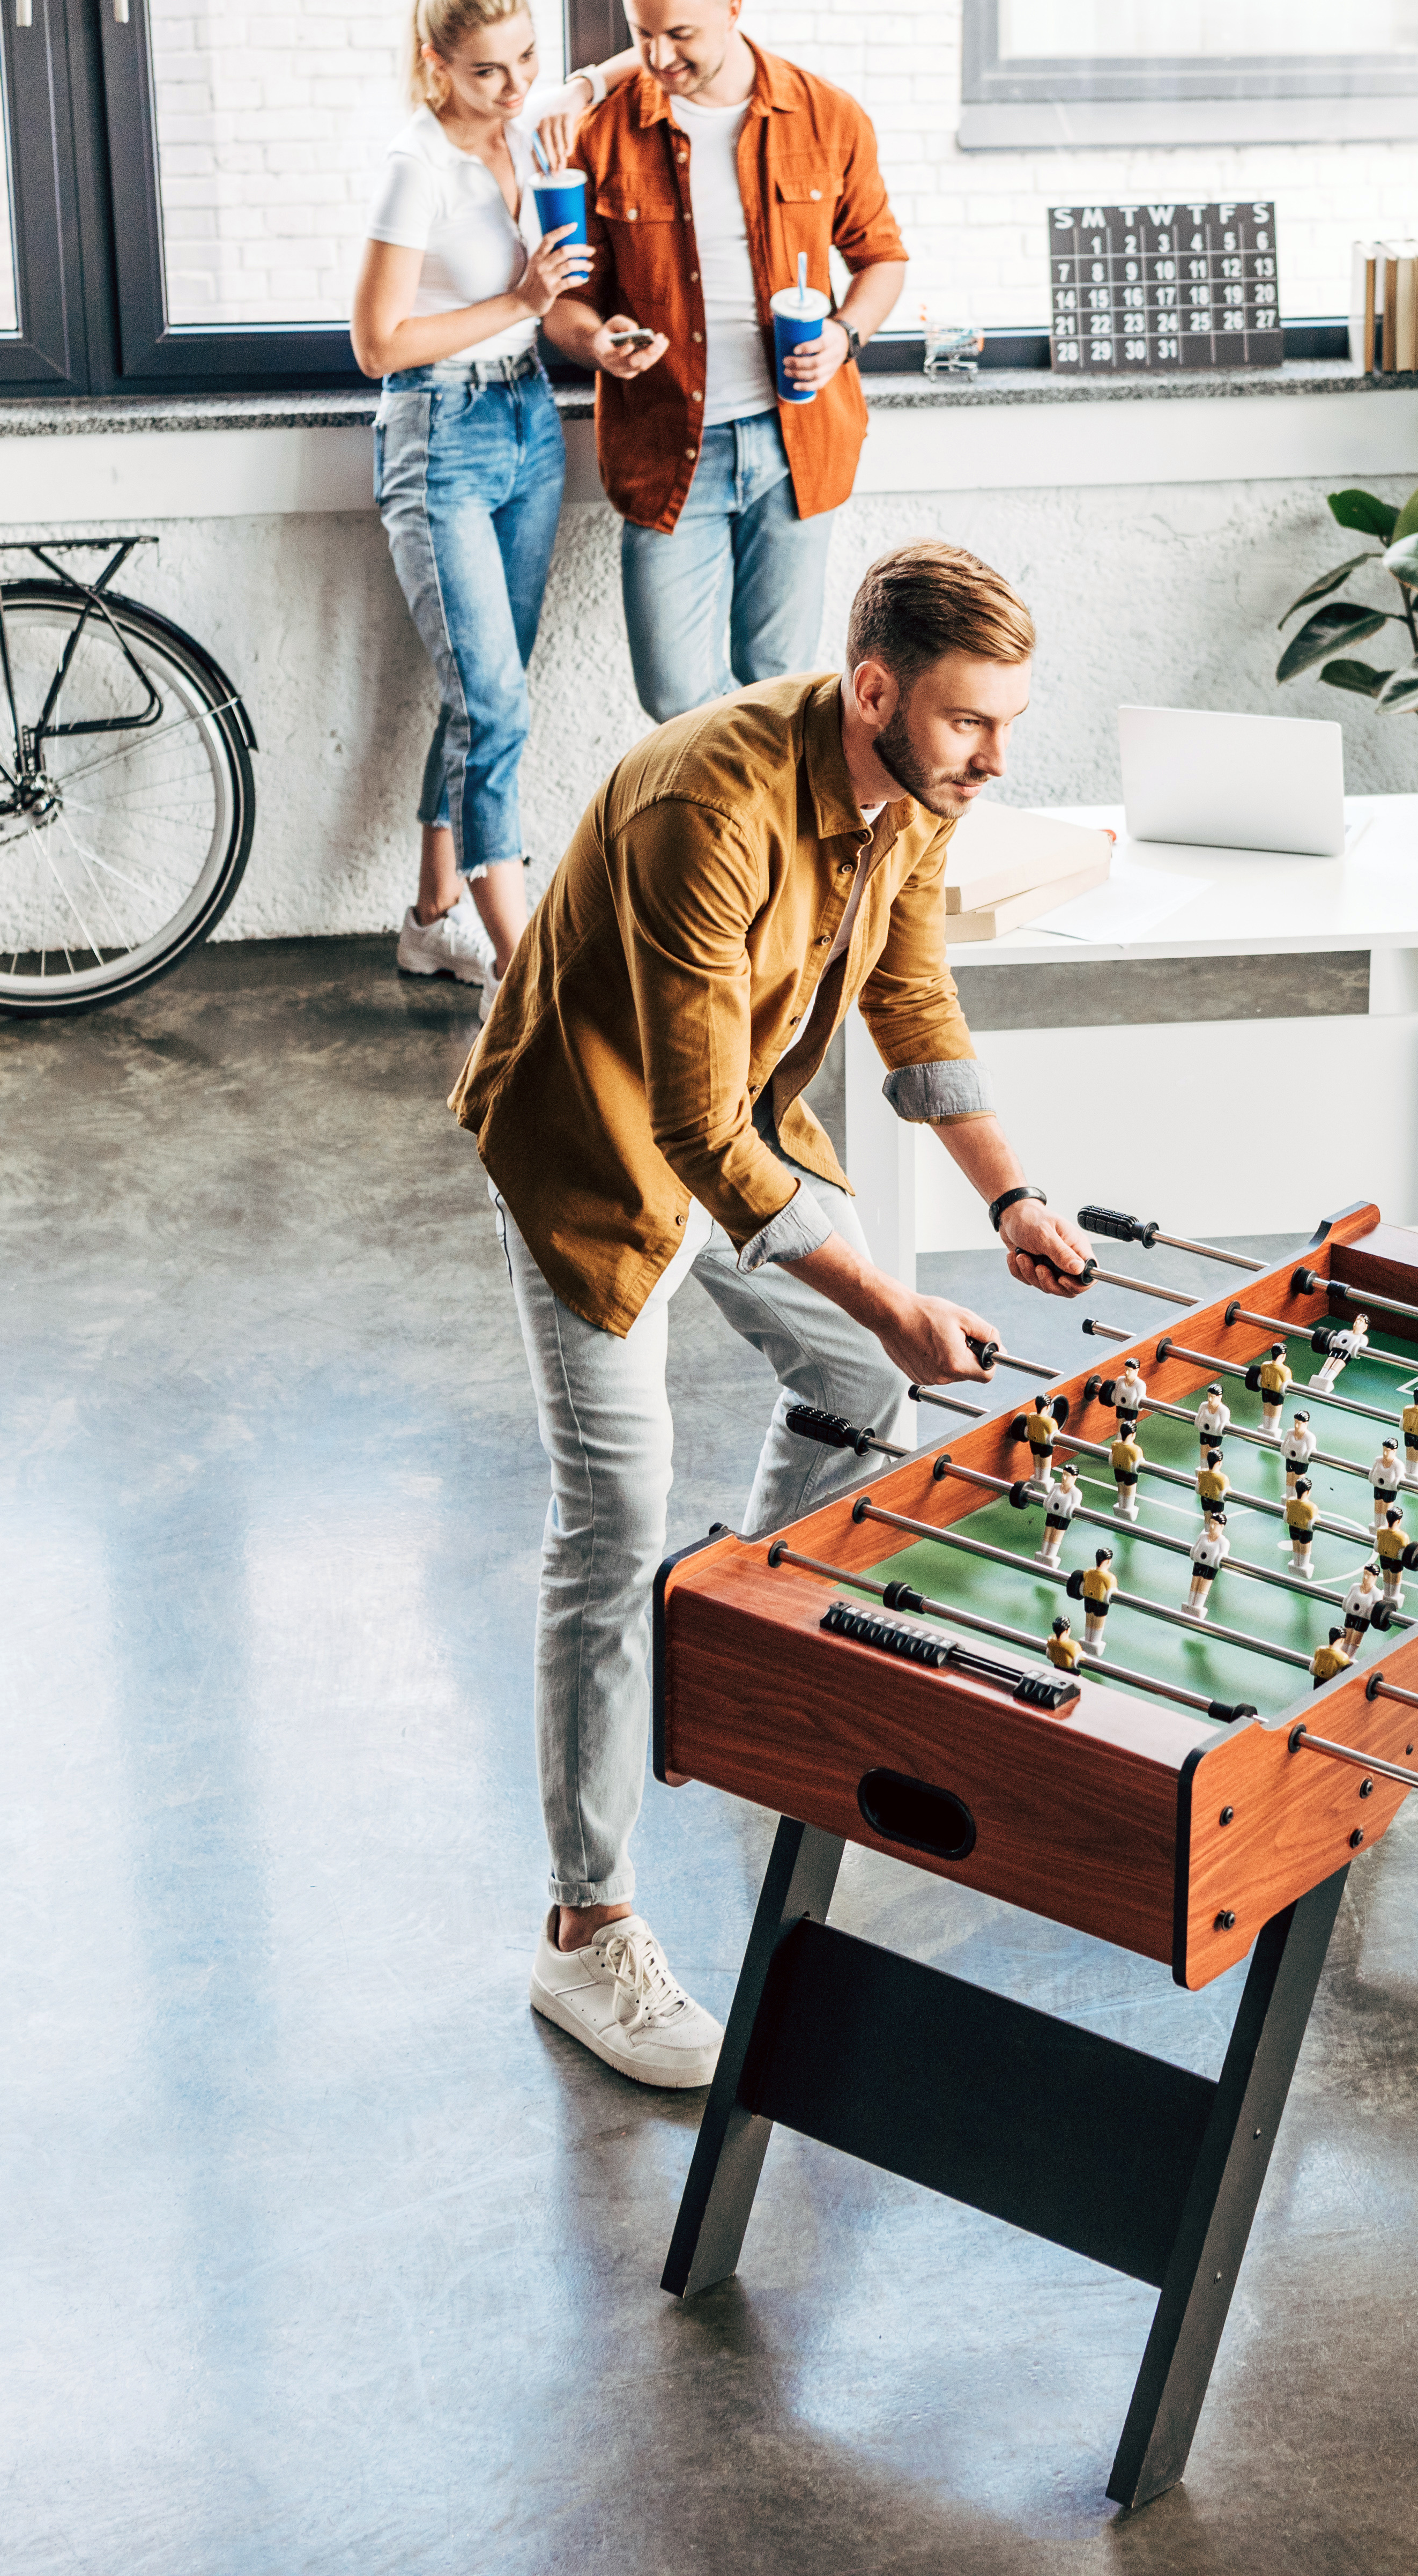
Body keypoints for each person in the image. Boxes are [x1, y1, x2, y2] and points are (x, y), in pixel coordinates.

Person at [455, 541, 1094, 2088]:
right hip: (601, 1163)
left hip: (743, 1138)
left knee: (860, 1398)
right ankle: (580, 1933)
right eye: (968, 725)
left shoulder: (913, 797)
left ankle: (735, 1663)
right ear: (875, 690)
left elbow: (911, 1002)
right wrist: (890, 1298)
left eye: (1010, 722)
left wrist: (1011, 1199)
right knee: (616, 1522)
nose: (997, 760)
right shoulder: (707, 803)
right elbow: (689, 1134)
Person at [542, 0, 910, 722]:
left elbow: (882, 261)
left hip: (798, 443)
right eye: (642, 35)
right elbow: (564, 303)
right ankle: (728, 800)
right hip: (668, 441)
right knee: (676, 697)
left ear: (733, 11)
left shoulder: (826, 116)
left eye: (680, 35)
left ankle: (756, 840)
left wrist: (844, 334)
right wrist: (597, 343)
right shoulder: (604, 134)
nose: (657, 56)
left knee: (778, 681)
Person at [356, 0, 593, 993]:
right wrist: (526, 297)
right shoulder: (416, 165)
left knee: (483, 699)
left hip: (529, 421)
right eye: (487, 71)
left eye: (527, 60)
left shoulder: (525, 119)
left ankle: (431, 919)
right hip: (437, 435)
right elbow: (377, 343)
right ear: (434, 66)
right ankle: (523, 964)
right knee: (495, 707)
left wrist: (608, 72)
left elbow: (618, 70)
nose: (513, 87)